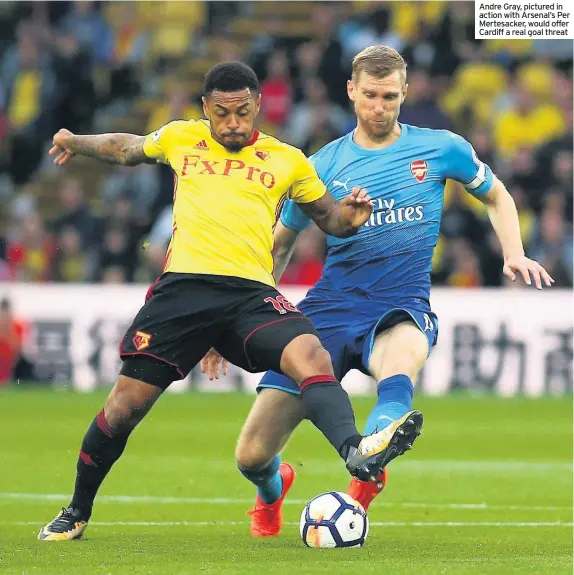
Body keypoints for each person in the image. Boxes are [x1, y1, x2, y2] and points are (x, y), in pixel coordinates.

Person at [38, 61, 421, 541]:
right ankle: (77, 510)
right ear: (206, 110)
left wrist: (353, 216)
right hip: (183, 292)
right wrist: (75, 142)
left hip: (250, 295)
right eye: (223, 114)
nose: (234, 123)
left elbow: (329, 219)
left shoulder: (288, 160)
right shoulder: (181, 138)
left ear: (258, 106)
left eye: (243, 112)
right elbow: (125, 148)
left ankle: (354, 451)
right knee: (123, 408)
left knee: (310, 353)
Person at [201, 46, 554, 538]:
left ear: (404, 94)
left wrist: (512, 252)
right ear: (351, 91)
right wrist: (236, 319)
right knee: (251, 456)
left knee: (404, 353)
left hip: (400, 304)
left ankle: (373, 452)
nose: (379, 107)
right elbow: (280, 245)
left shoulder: (441, 148)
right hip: (327, 311)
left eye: (390, 96)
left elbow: (496, 193)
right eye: (370, 95)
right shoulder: (321, 165)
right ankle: (273, 488)